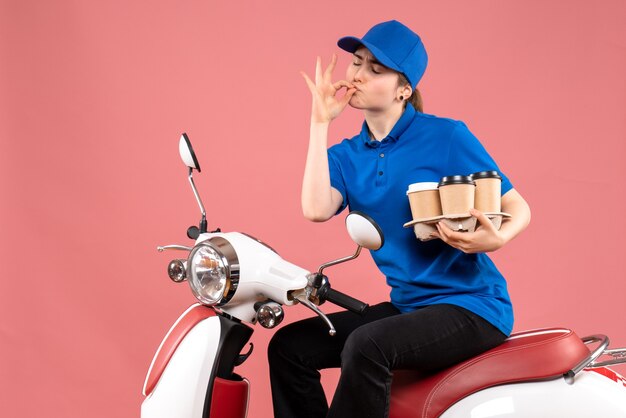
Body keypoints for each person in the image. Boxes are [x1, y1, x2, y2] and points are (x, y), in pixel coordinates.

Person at [268, 19, 531, 418]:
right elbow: (316, 209)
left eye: (376, 69)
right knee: (290, 348)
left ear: (404, 89)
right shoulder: (346, 154)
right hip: (410, 307)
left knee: (367, 346)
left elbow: (519, 209)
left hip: (472, 307)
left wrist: (493, 240)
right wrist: (319, 122)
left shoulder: (445, 137)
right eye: (356, 63)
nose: (357, 74)